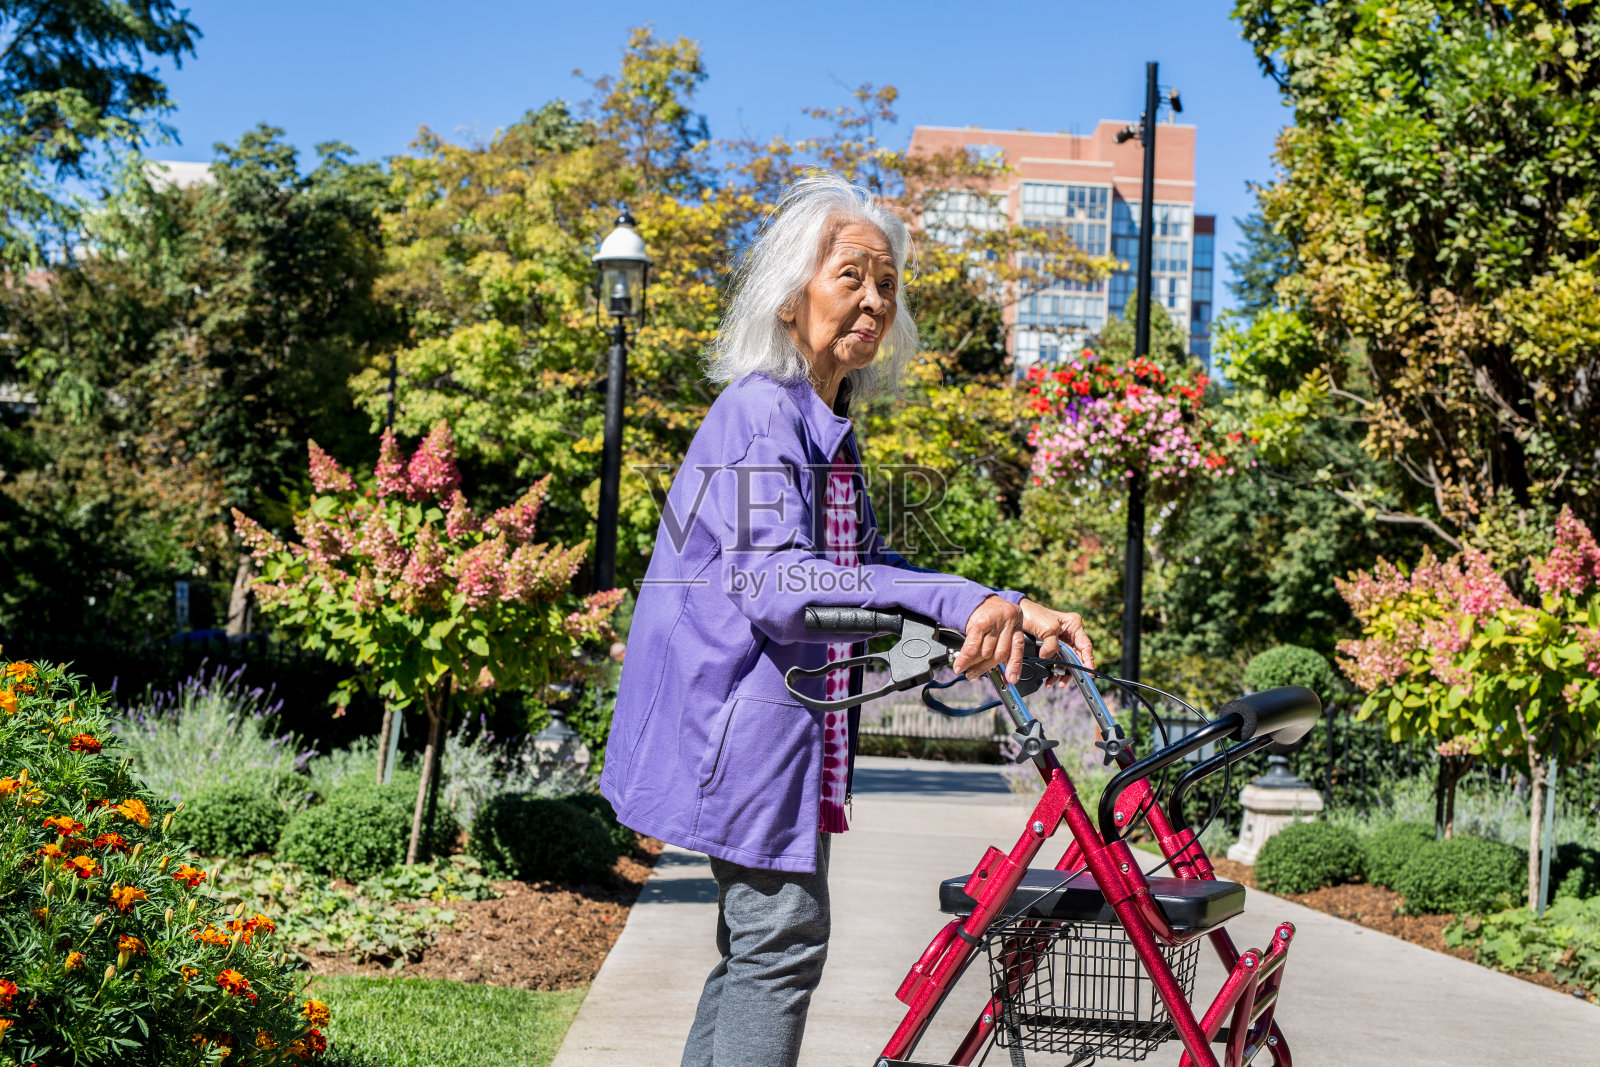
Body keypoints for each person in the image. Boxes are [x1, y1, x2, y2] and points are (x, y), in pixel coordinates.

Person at [599, 173, 1096, 1067]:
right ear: (792, 296)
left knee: (760, 948)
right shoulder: (761, 411)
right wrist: (964, 603)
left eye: (888, 285)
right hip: (738, 731)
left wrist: (1006, 605)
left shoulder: (822, 420)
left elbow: (863, 569)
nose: (873, 299)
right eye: (851, 276)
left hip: (770, 731)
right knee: (780, 941)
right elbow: (785, 589)